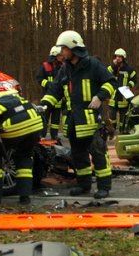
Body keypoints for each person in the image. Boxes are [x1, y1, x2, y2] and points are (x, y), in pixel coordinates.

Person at [42, 30, 117, 198]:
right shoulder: (65, 69)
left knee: (98, 153)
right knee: (78, 156)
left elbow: (111, 81)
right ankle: (84, 185)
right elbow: (55, 90)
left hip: (91, 121)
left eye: (64, 49)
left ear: (73, 48)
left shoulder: (93, 65)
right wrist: (44, 105)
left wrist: (100, 96)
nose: (61, 52)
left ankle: (104, 187)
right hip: (73, 122)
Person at [0, 83, 44, 205]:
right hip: (35, 124)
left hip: (14, 126)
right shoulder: (9, 94)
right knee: (25, 158)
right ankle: (25, 197)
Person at [36, 45, 65, 139]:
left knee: (55, 121)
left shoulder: (63, 67)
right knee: (44, 118)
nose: (62, 57)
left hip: (58, 101)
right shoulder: (45, 67)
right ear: (55, 55)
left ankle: (54, 135)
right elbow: (39, 79)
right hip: (47, 97)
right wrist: (48, 84)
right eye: (60, 55)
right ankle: (42, 135)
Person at [107, 48, 137, 134]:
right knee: (111, 117)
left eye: (120, 57)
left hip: (124, 98)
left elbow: (134, 79)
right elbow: (106, 73)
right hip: (113, 97)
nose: (118, 58)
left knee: (123, 118)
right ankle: (112, 132)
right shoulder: (111, 68)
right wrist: (113, 65)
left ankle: (122, 132)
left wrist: (129, 85)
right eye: (116, 56)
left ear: (124, 58)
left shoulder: (129, 69)